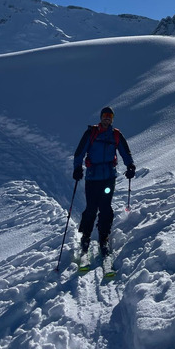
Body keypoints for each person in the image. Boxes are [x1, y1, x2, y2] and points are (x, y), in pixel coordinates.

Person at [73, 106, 136, 256]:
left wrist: (130, 165)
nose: (107, 118)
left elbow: (125, 152)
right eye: (105, 115)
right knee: (91, 208)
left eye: (110, 116)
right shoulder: (91, 133)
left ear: (112, 119)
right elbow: (79, 152)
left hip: (109, 178)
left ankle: (104, 237)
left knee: (106, 208)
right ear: (101, 117)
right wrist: (77, 168)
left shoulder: (116, 135)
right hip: (92, 177)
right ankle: (86, 236)